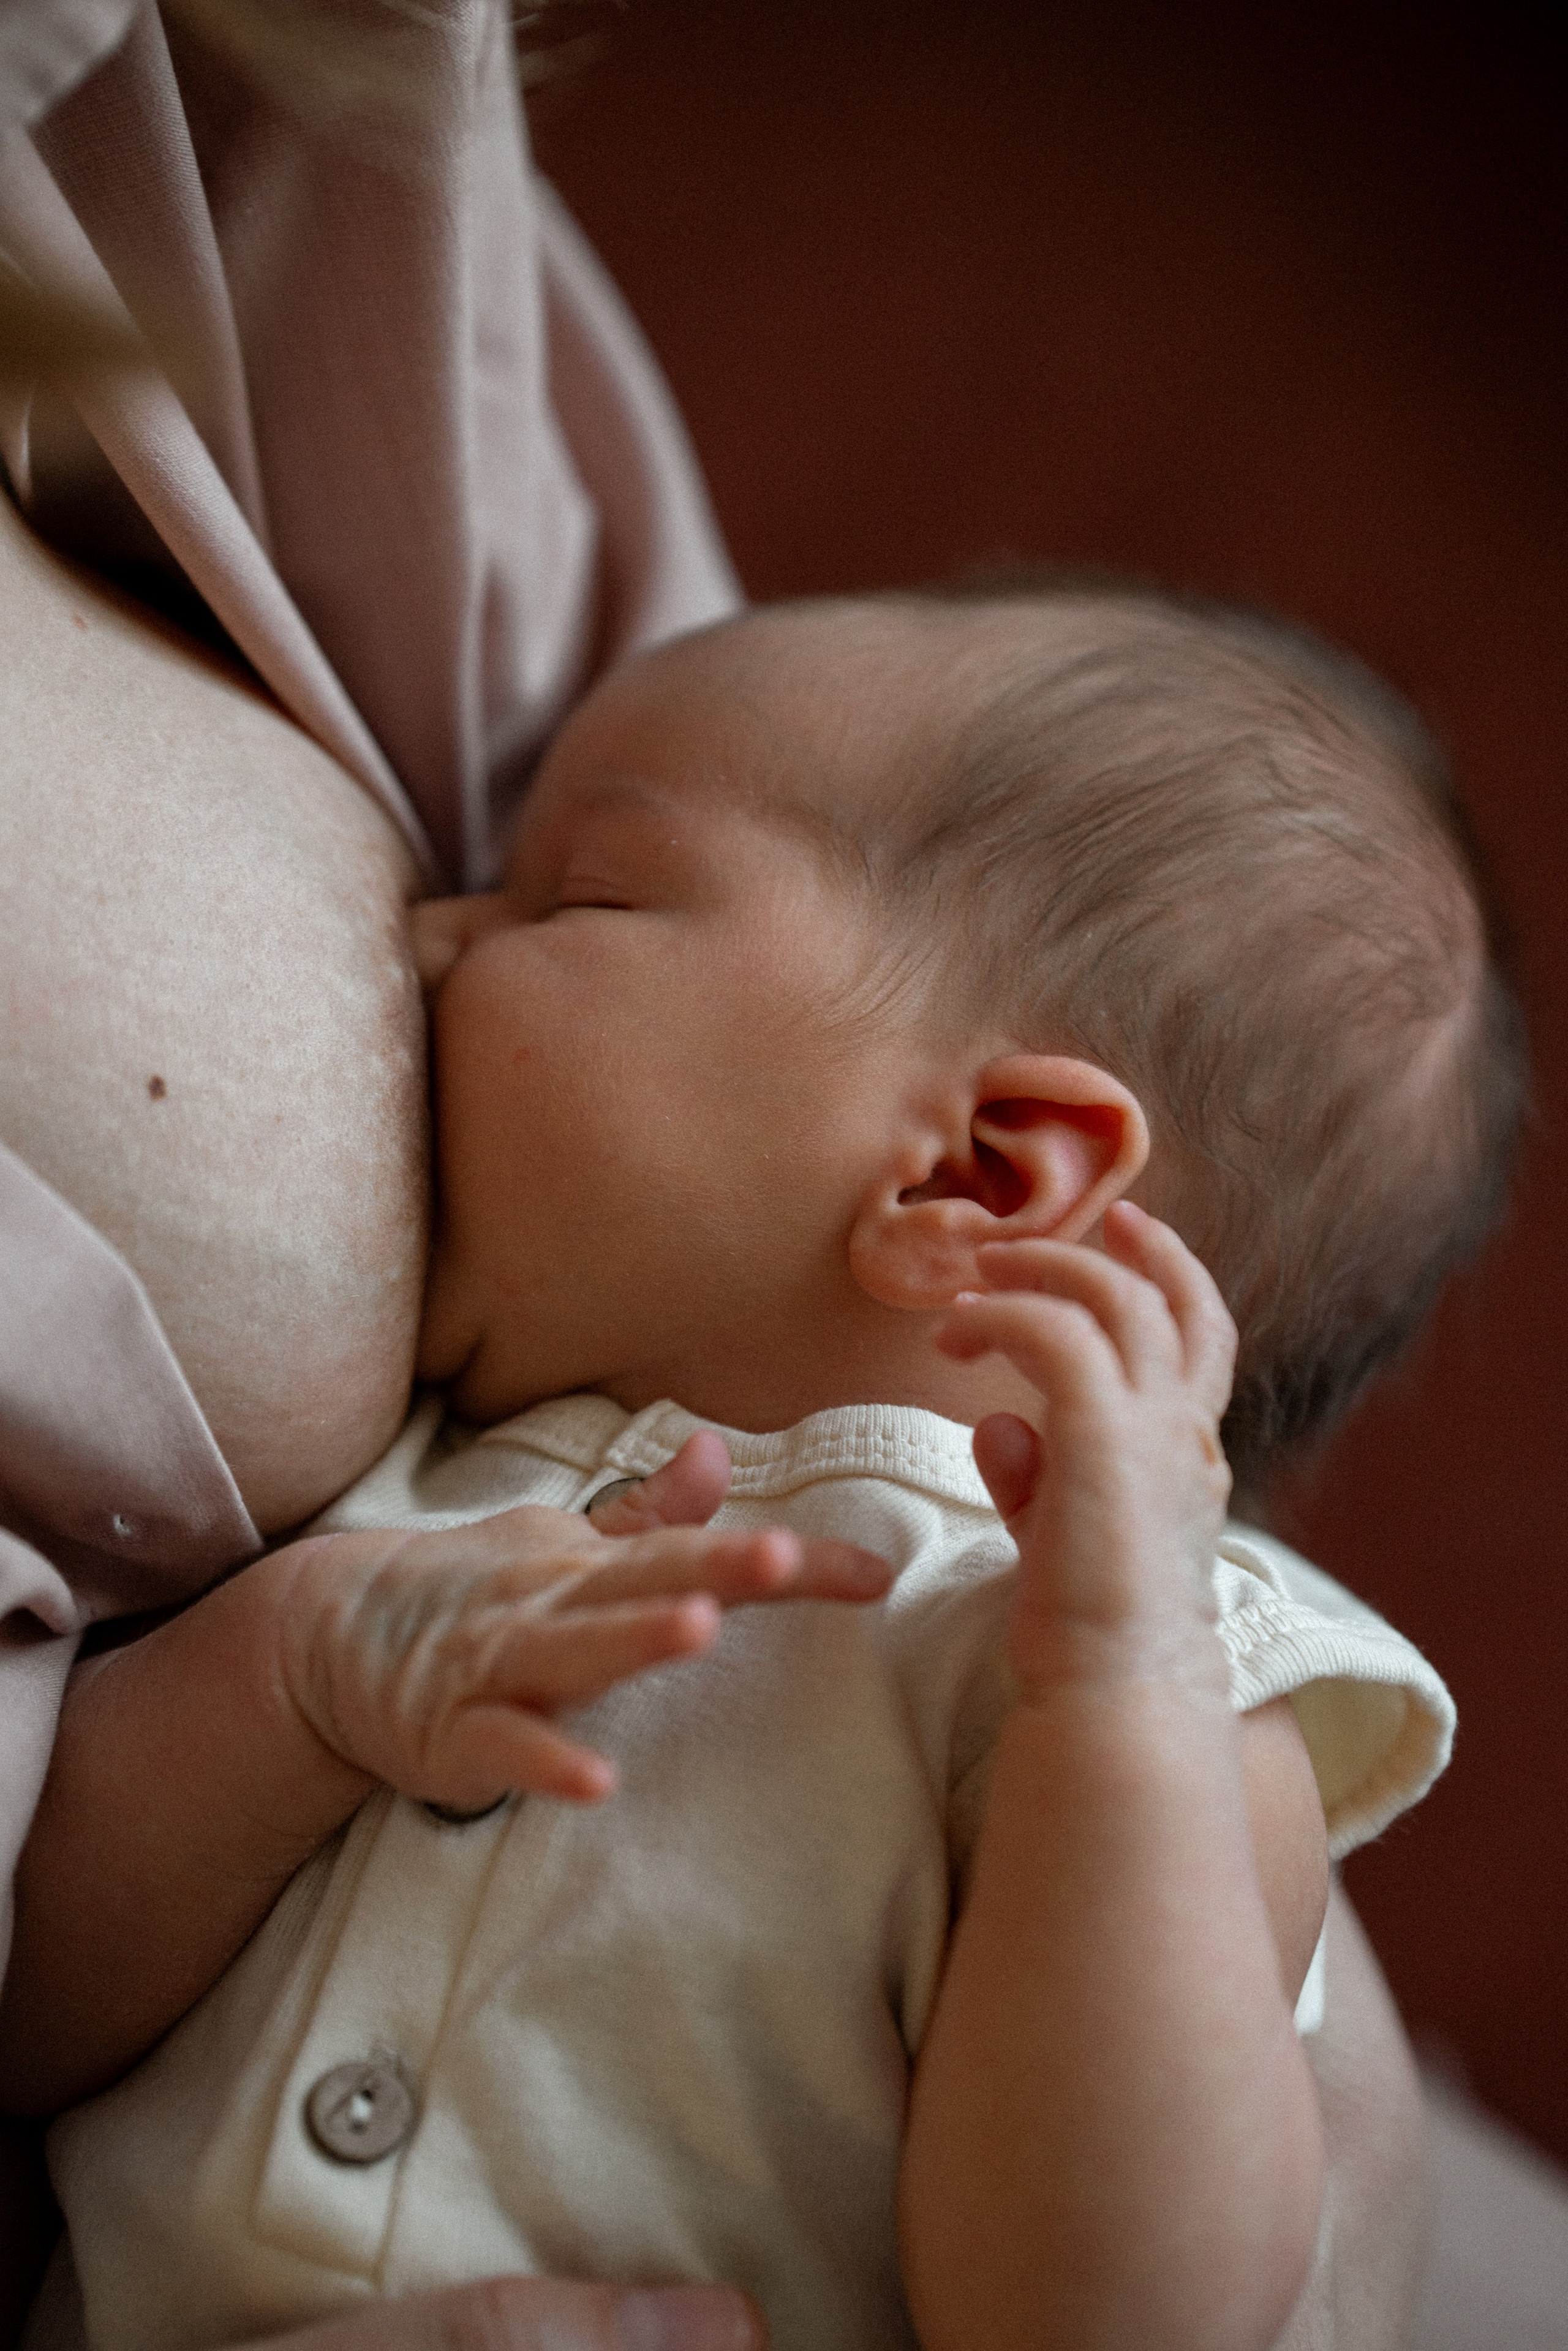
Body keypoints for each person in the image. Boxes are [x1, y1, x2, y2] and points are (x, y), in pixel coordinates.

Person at [0, 5, 1472, 2344]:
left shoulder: (1148, 1685)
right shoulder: (402, 1515)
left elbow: (1119, 2313)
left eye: (577, 896)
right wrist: (288, 1694)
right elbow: (24, 2004)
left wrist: (1116, 1686)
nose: (436, 915)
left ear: (979, 1172)